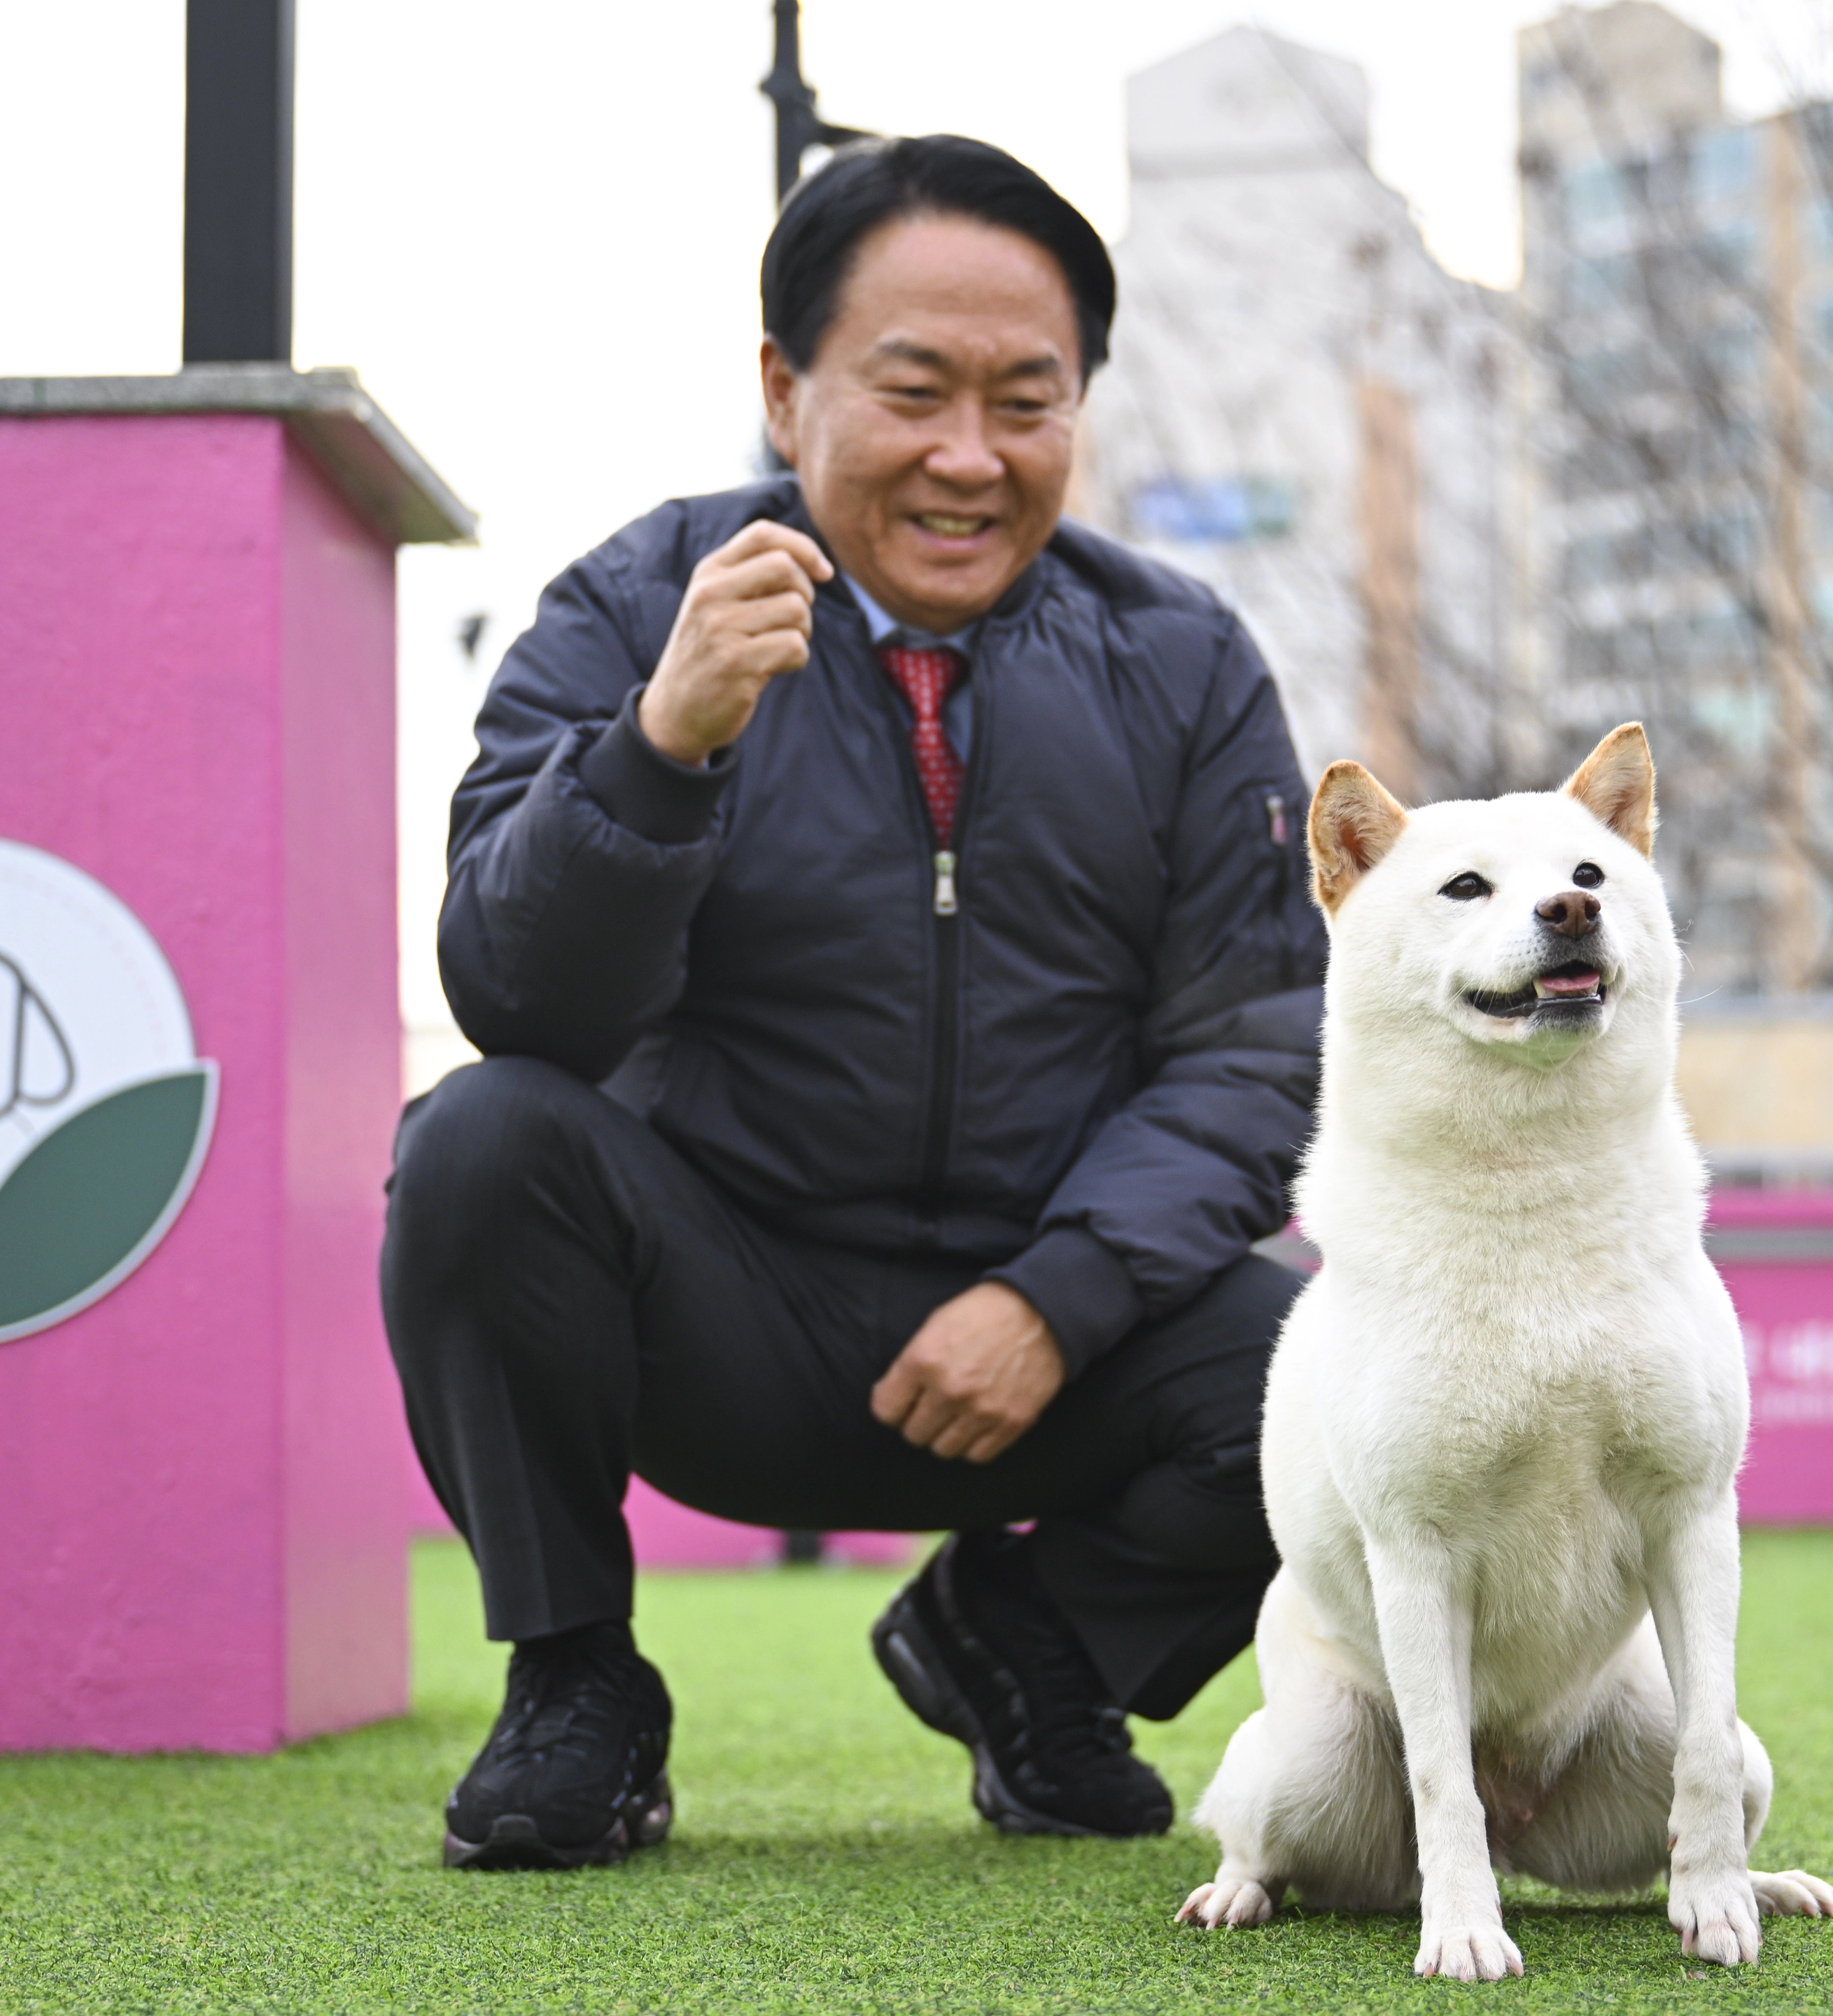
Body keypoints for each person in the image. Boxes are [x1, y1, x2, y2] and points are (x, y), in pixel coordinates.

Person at [384, 134, 1327, 1870]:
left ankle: (1028, 1643)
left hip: (1054, 1342)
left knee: (1333, 1376)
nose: (969, 456)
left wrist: (1055, 1293)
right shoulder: (634, 609)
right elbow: (519, 1004)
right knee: (477, 1139)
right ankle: (575, 1683)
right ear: (783, 388)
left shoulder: (1182, 659)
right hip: (723, 1321)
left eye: (1025, 402)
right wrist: (659, 749)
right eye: (912, 392)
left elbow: (1253, 1044)